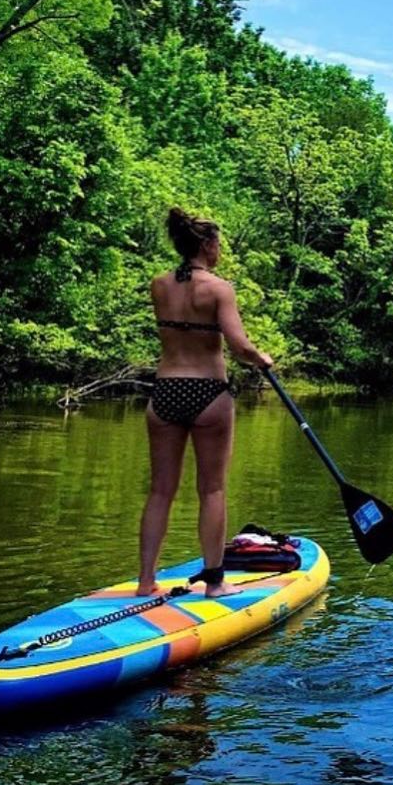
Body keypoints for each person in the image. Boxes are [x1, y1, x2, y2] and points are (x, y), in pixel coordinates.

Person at [137, 207, 274, 598]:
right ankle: (215, 582)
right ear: (208, 245)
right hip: (207, 393)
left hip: (164, 391)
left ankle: (146, 581)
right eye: (218, 244)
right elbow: (239, 345)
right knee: (211, 490)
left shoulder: (159, 284)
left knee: (160, 490)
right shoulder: (219, 288)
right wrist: (260, 358)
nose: (221, 251)